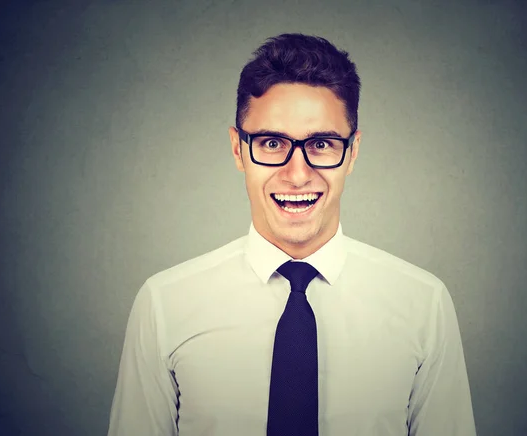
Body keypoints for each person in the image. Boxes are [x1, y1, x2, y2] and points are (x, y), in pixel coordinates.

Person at [107, 33, 476, 436]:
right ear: (237, 149)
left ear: (351, 152)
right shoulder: (164, 305)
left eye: (321, 143)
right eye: (270, 142)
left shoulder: (424, 305)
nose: (297, 174)